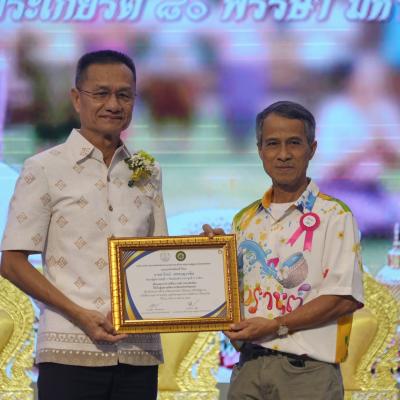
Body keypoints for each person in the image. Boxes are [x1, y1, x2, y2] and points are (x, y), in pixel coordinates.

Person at [0, 50, 168, 400]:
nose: (113, 104)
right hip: (69, 349)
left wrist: (206, 252)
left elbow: (159, 257)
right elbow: (12, 262)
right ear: (77, 99)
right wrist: (79, 314)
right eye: (101, 93)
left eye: (124, 95)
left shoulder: (147, 170)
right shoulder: (44, 168)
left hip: (139, 352)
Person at [205, 100, 363, 400]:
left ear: (312, 149)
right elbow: (229, 298)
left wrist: (276, 326)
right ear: (260, 150)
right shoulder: (244, 220)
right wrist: (211, 259)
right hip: (248, 368)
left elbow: (343, 298)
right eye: (272, 143)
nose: (283, 154)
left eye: (294, 143)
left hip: (307, 375)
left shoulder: (335, 216)